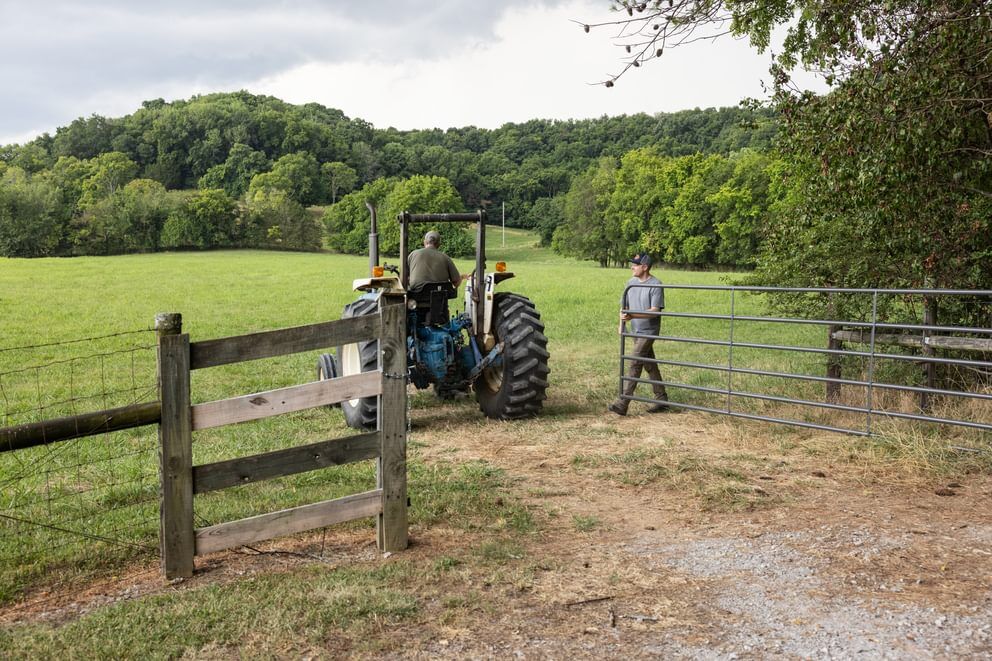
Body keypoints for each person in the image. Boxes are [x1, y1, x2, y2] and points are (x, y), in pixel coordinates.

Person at [609, 252, 670, 415]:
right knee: (649, 364)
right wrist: (621, 324)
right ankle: (662, 398)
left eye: (635, 265)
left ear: (645, 267)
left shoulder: (656, 284)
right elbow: (624, 307)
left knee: (635, 362)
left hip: (649, 331)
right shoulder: (630, 283)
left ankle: (623, 403)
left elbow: (654, 312)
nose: (632, 267)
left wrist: (633, 315)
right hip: (636, 330)